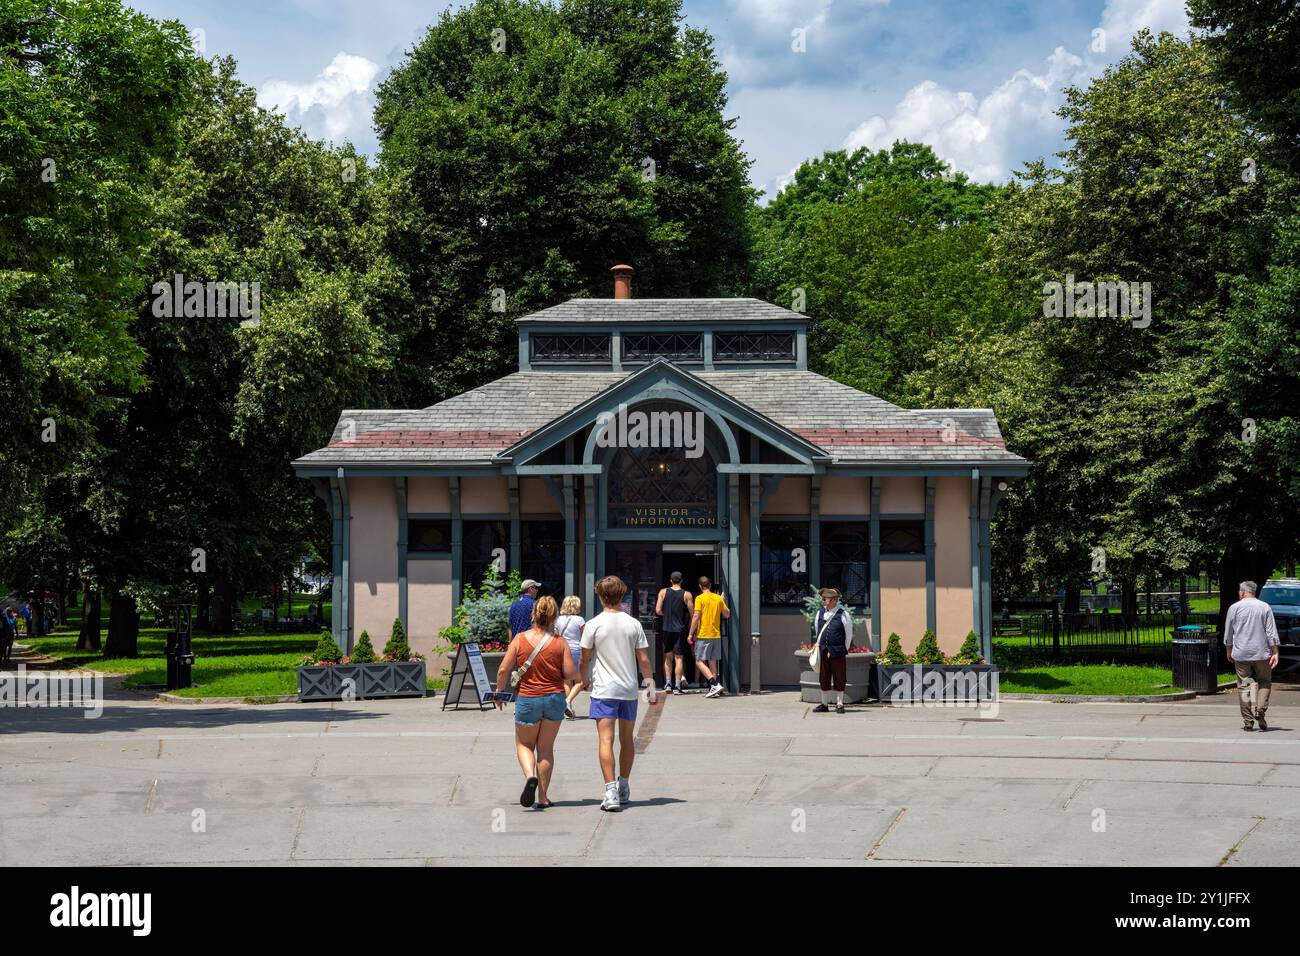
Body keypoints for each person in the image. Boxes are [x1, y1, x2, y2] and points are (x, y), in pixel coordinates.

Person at [580, 575, 658, 812]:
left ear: (601, 596)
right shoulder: (633, 624)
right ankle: (623, 784)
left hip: (604, 689)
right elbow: (643, 659)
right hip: (628, 689)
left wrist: (583, 679)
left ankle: (610, 791)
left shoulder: (593, 624)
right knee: (626, 739)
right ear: (621, 595)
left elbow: (584, 658)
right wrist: (651, 686)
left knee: (605, 739)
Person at [494, 595, 579, 809]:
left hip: (528, 698)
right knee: (546, 749)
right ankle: (542, 797)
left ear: (533, 614)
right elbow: (570, 673)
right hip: (554, 699)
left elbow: (504, 669)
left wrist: (499, 691)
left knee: (524, 744)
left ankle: (529, 776)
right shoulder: (560, 643)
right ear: (554, 617)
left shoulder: (520, 639)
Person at [1224, 580, 1280, 732]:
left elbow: (1229, 632)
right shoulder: (1264, 607)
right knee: (1264, 682)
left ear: (1242, 592)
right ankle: (1260, 709)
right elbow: (1271, 632)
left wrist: (1229, 649)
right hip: (1262, 652)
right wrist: (1275, 651)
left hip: (1241, 653)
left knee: (1245, 686)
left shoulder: (1234, 608)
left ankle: (1248, 721)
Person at [811, 587, 855, 714]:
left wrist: (843, 649)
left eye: (825, 599)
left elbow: (848, 634)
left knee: (839, 677)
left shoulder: (843, 614)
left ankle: (839, 704)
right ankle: (824, 704)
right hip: (823, 651)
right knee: (824, 677)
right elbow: (817, 630)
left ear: (833, 600)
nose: (823, 601)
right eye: (823, 599)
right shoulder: (820, 613)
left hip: (838, 651)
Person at [688, 576, 729, 698]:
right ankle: (714, 689)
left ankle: (714, 683)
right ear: (710, 585)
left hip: (704, 634)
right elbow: (727, 614)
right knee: (712, 661)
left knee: (699, 661)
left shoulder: (699, 598)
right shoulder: (718, 598)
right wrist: (722, 601)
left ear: (700, 586)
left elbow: (696, 616)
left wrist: (690, 633)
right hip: (716, 635)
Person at [654, 571, 693, 693]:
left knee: (668, 657)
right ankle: (677, 686)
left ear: (671, 580)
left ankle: (668, 684)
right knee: (679, 658)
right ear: (681, 581)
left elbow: (658, 610)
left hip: (666, 628)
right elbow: (692, 613)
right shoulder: (687, 594)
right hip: (680, 630)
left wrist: (667, 615)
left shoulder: (663, 592)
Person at [555, 595, 587, 719]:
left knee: (566, 681)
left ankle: (568, 704)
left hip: (562, 651)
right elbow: (585, 638)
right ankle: (567, 702)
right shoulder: (580, 620)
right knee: (582, 681)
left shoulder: (558, 619)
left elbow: (556, 636)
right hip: (575, 650)